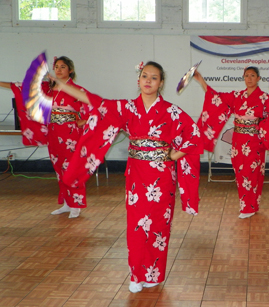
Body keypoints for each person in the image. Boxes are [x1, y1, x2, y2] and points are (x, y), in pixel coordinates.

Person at [53, 61, 203, 293]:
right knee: (136, 225)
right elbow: (93, 100)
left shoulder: (172, 111)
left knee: (159, 226)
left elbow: (194, 136)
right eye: (145, 76)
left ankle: (154, 273)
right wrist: (62, 84)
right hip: (137, 176)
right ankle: (136, 274)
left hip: (163, 177)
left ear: (161, 83)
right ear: (138, 79)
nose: (148, 81)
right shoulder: (126, 108)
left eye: (154, 77)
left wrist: (173, 154)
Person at [0, 56, 89, 218]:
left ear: (71, 70)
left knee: (71, 168)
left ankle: (76, 204)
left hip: (70, 134)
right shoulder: (47, 88)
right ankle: (67, 203)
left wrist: (81, 122)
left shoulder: (77, 90)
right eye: (56, 67)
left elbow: (92, 108)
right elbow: (23, 87)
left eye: (63, 67)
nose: (59, 69)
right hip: (54, 132)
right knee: (59, 168)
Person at [193, 66, 269, 219]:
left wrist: (262, 124)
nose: (249, 78)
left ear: (258, 78)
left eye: (252, 75)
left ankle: (249, 207)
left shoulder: (264, 98)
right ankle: (249, 205)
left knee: (253, 173)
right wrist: (201, 80)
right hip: (238, 141)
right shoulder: (237, 96)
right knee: (241, 173)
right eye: (246, 75)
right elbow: (216, 97)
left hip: (255, 141)